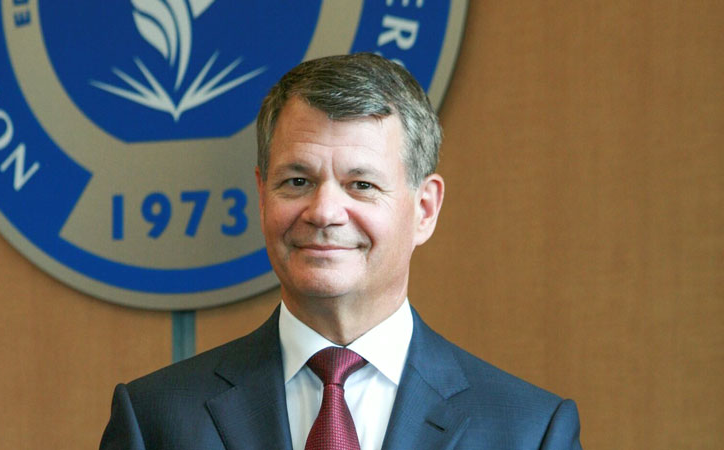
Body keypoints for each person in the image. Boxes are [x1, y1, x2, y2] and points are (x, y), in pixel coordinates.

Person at [100, 53, 582, 450]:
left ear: (425, 209)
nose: (325, 211)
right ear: (262, 193)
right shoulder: (155, 420)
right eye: (297, 181)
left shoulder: (529, 432)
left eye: (362, 185)